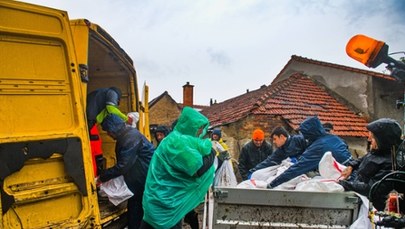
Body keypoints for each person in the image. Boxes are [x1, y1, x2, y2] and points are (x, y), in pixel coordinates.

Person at [140, 107, 216, 229]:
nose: (200, 132)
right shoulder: (177, 142)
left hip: (163, 201)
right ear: (190, 126)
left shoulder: (178, 139)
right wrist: (212, 152)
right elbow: (198, 169)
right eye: (198, 128)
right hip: (165, 204)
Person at [98, 114, 154, 229]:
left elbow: (124, 165)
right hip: (142, 175)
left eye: (108, 131)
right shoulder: (127, 135)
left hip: (142, 177)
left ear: (114, 128)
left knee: (136, 208)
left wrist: (103, 176)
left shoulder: (130, 137)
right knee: (138, 207)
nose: (108, 134)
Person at [267, 116, 351, 189]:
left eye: (305, 135)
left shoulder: (318, 147)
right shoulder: (335, 138)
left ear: (309, 134)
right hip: (353, 175)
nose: (304, 138)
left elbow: (297, 169)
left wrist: (272, 184)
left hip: (343, 179)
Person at [338, 118, 402, 211]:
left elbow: (371, 188)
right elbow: (363, 158)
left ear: (382, 140)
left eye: (372, 137)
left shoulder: (391, 163)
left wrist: (343, 184)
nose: (368, 139)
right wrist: (351, 166)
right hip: (359, 195)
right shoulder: (377, 151)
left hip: (372, 209)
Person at [86, 87, 132, 176]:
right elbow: (111, 108)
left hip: (89, 119)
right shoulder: (112, 93)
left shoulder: (101, 94)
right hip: (89, 119)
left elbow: (104, 114)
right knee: (90, 146)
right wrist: (126, 118)